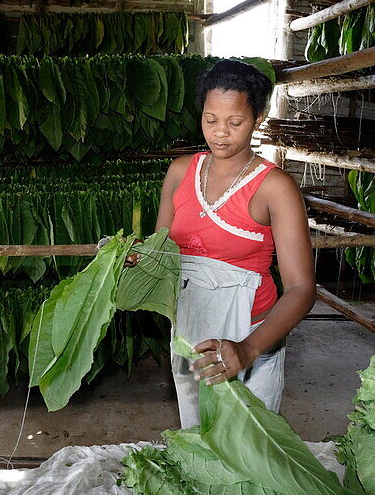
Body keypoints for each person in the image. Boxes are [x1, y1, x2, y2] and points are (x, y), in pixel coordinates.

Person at [130, 58, 315, 427]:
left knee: (248, 448)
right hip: (190, 331)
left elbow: (302, 289)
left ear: (258, 119)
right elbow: (161, 255)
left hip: (252, 333)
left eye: (235, 122)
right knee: (199, 440)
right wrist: (132, 260)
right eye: (210, 120)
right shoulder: (180, 172)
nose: (220, 133)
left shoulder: (275, 188)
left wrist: (248, 349)